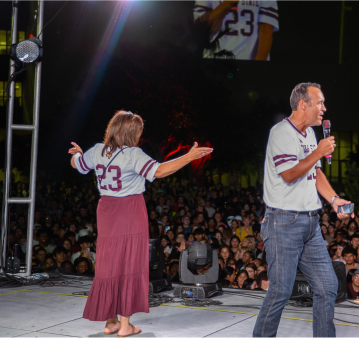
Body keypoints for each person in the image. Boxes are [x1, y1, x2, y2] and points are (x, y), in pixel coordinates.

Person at [69, 110, 212, 337]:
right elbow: (160, 170)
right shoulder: (134, 155)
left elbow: (77, 164)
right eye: (138, 132)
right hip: (130, 211)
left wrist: (77, 154)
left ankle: (111, 322)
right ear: (131, 132)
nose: (139, 136)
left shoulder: (97, 150)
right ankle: (125, 326)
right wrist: (189, 157)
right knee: (129, 265)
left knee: (109, 264)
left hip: (106, 212)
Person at [254, 83, 353, 337]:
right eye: (319, 102)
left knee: (328, 285)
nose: (324, 108)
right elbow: (288, 174)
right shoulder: (281, 133)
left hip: (310, 223)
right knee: (280, 291)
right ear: (303, 104)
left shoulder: (309, 133)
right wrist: (318, 151)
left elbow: (314, 171)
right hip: (284, 222)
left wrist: (333, 199)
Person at [193, 0, 279, 60]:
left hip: (249, 61)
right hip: (216, 61)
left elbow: (266, 30)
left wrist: (258, 66)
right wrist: (227, 3)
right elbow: (202, 30)